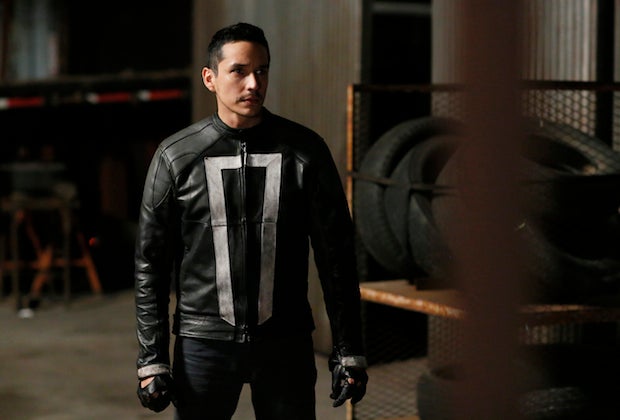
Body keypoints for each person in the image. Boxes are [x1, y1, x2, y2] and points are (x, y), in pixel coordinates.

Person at [134, 22, 368, 419]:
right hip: (203, 343)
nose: (253, 84)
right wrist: (151, 360)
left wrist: (349, 350)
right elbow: (150, 263)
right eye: (239, 71)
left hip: (286, 341)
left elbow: (337, 256)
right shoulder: (175, 157)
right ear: (210, 78)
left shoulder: (304, 151)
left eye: (261, 71)